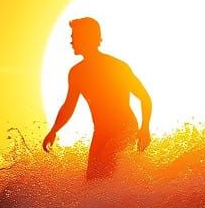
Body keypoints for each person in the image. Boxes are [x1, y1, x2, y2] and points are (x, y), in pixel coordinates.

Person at [43, 17, 152, 178]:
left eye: (74, 37)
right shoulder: (77, 73)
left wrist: (145, 128)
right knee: (92, 179)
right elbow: (69, 106)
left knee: (107, 166)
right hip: (100, 132)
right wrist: (54, 130)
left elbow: (144, 97)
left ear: (86, 38)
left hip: (124, 129)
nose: (71, 42)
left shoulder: (116, 67)